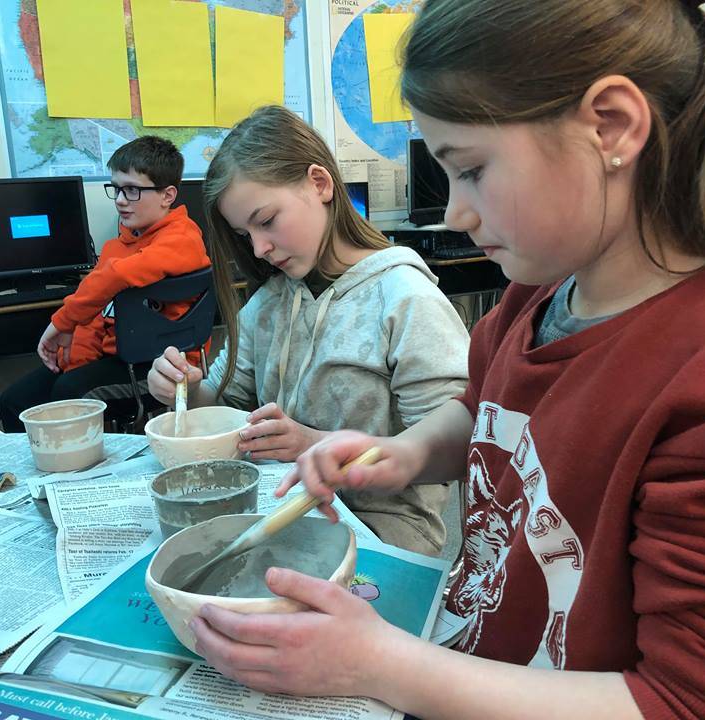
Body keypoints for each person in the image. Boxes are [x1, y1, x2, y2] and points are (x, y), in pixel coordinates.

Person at [185, 1, 705, 718]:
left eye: (471, 169)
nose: (455, 215)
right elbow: (487, 409)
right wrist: (406, 452)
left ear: (612, 127)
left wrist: (381, 665)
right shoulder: (540, 294)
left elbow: (702, 702)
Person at [147, 105, 470, 556]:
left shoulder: (404, 299)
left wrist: (313, 445)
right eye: (245, 235)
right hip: (280, 502)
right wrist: (186, 388)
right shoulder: (269, 302)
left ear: (320, 184)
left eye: (266, 221)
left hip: (382, 528)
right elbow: (229, 406)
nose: (259, 249)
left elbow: (452, 451)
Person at [0, 136, 210, 432]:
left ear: (167, 195)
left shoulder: (182, 239)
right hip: (115, 357)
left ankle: (74, 473)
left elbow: (115, 278)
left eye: (133, 190)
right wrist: (75, 360)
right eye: (117, 189)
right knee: (15, 400)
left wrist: (62, 323)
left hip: (161, 366)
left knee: (70, 395)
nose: (121, 199)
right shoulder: (117, 247)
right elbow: (96, 312)